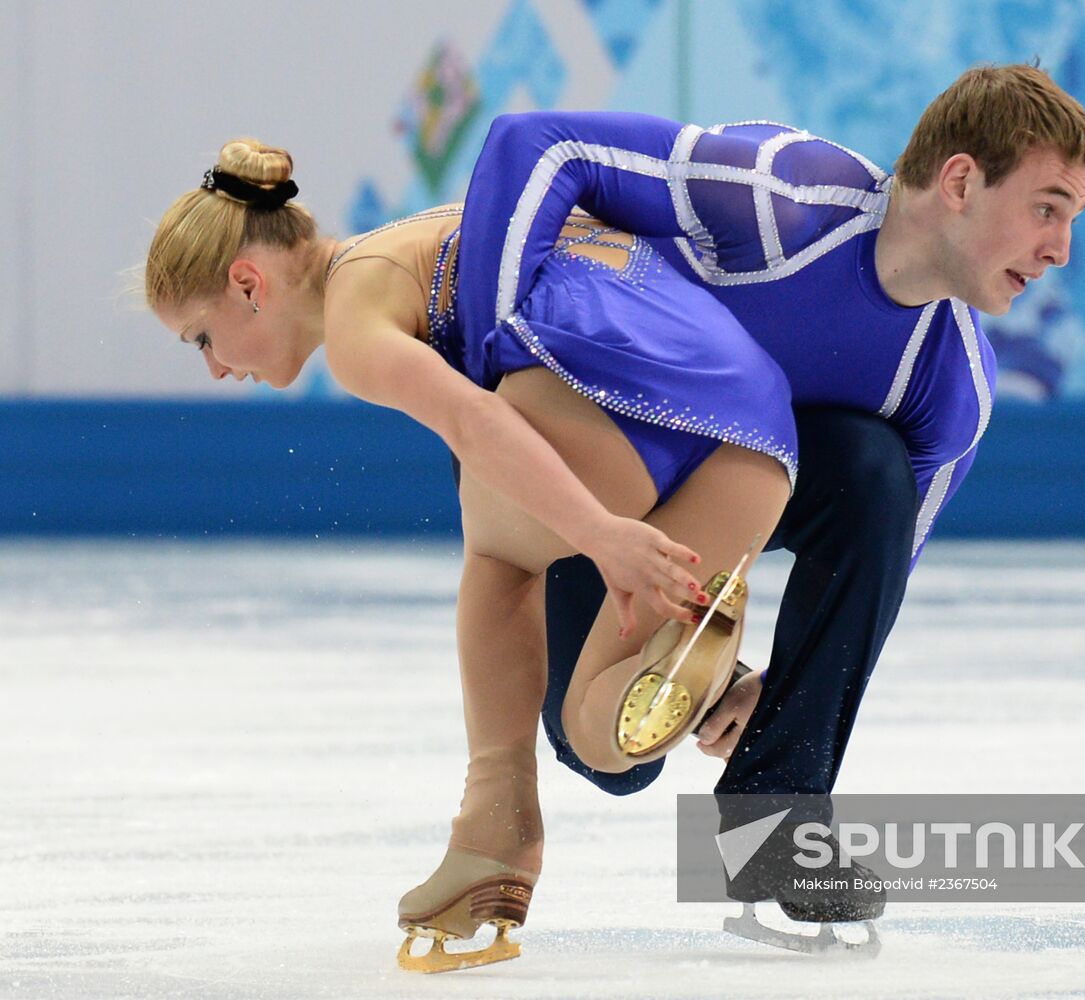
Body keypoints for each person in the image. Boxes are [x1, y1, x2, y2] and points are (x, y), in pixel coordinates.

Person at [454, 63, 1085, 939]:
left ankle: (775, 818)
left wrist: (777, 690)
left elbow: (876, 579)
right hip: (605, 489)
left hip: (732, 503)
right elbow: (534, 143)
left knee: (874, 471)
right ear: (959, 181)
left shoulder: (951, 383)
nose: (1061, 247)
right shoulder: (776, 202)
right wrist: (484, 381)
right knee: (611, 763)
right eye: (1048, 207)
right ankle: (670, 649)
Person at [145, 151, 803, 971]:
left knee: (497, 562)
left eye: (201, 337)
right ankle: (712, 673)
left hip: (625, 404)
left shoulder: (356, 316)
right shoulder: (431, 229)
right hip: (759, 433)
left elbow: (475, 425)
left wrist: (600, 534)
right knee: (598, 732)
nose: (213, 365)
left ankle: (494, 837)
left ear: (249, 283)